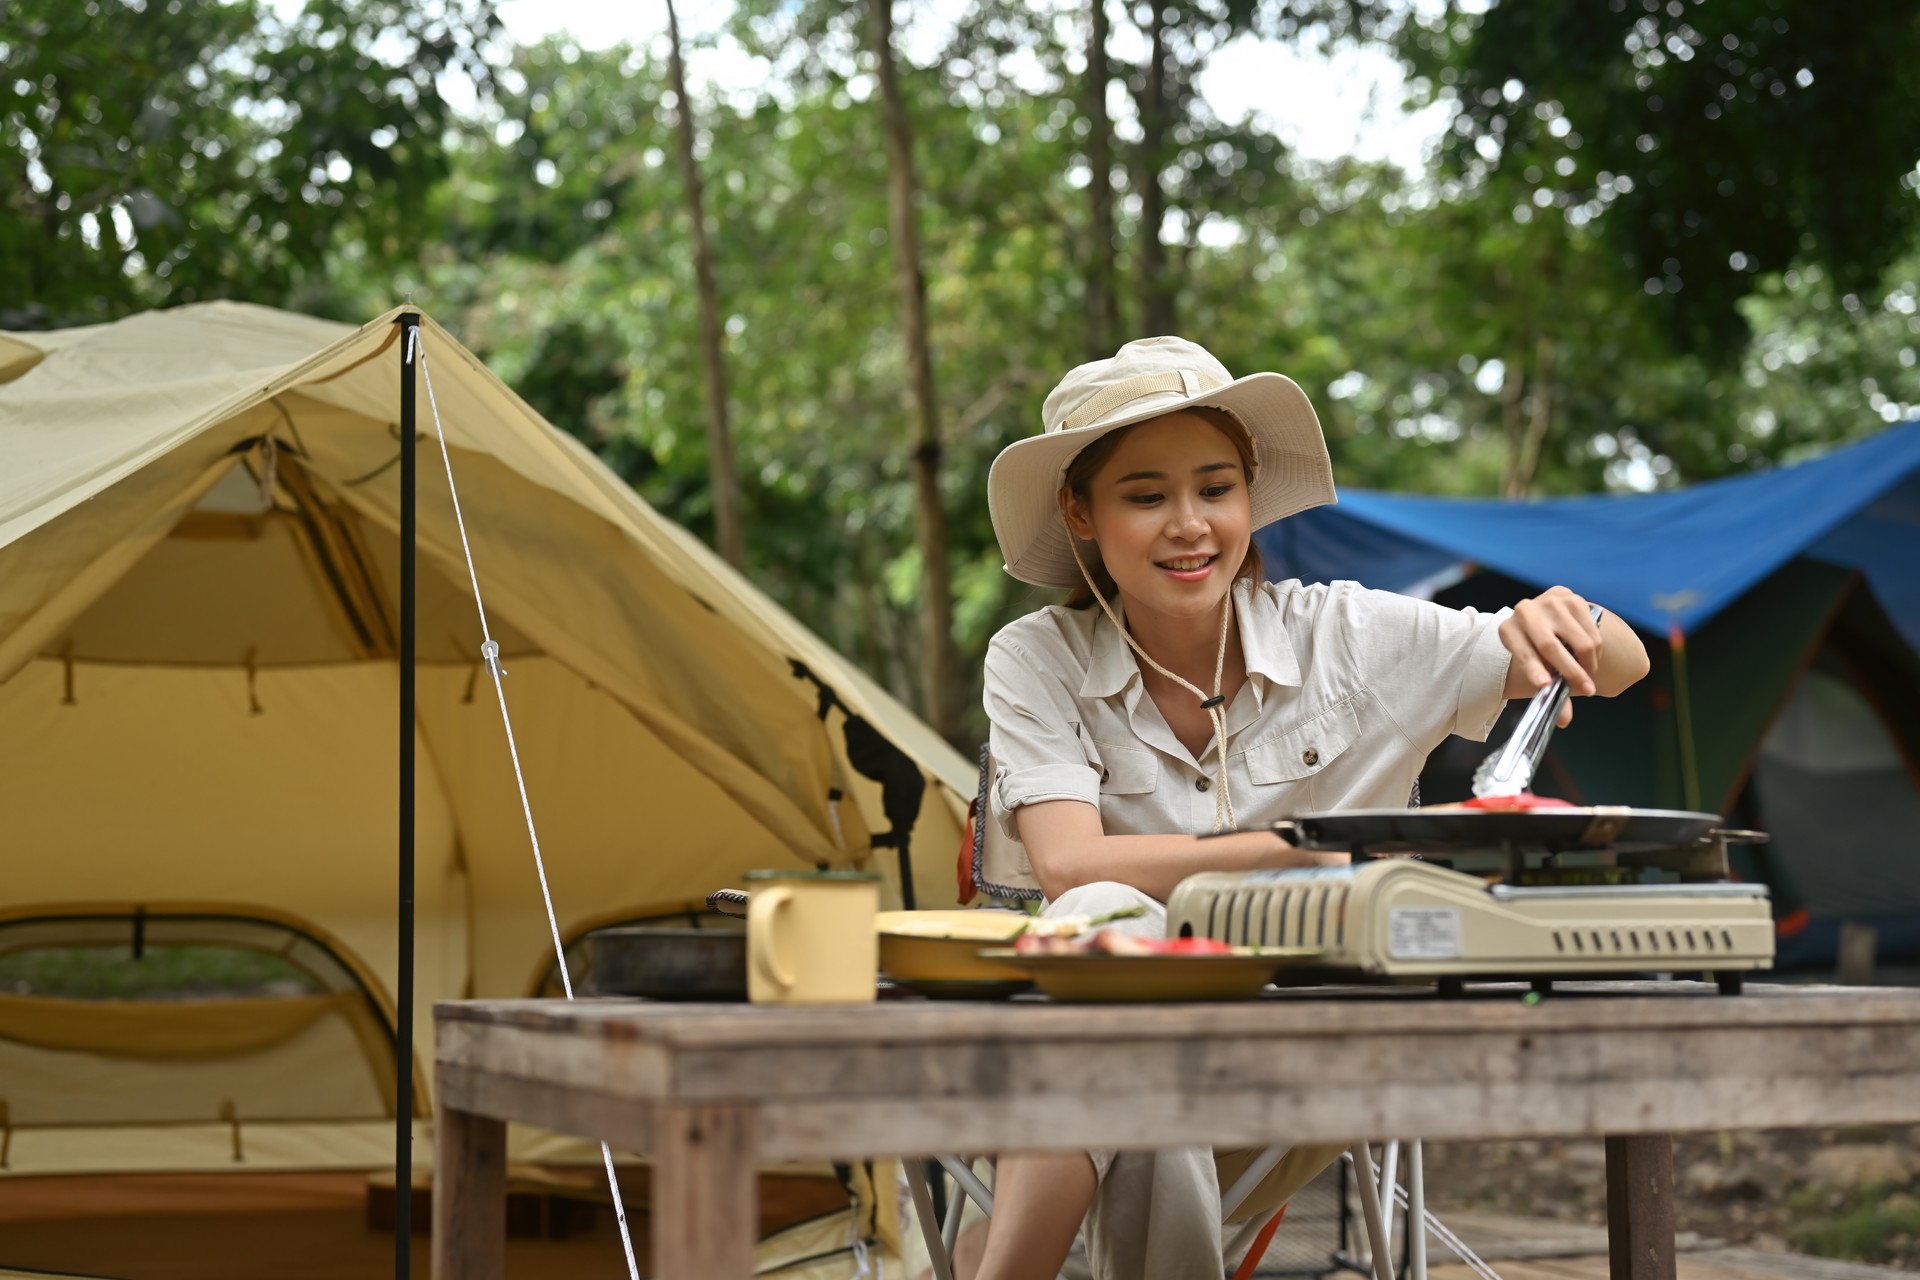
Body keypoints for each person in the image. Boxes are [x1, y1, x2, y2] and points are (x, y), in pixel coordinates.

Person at [969, 337, 1651, 1280]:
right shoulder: (1035, 658)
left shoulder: (1350, 634)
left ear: (1249, 495)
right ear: (1079, 511)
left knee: (1102, 1037)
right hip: (1112, 1038)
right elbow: (1069, 869)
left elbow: (1622, 665)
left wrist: (1565, 616)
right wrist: (1305, 849)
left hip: (1318, 1047)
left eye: (1215, 489)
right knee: (1098, 935)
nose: (1189, 525)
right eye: (1144, 496)